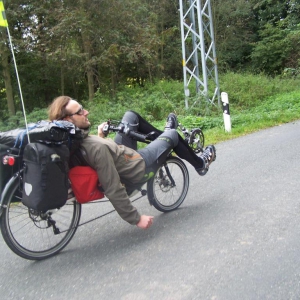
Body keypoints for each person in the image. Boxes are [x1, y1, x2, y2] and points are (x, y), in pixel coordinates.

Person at [48, 96, 216, 229]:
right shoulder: (95, 149)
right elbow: (112, 186)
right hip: (137, 166)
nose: (87, 112)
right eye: (80, 111)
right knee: (172, 134)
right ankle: (200, 164)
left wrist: (100, 137)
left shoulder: (73, 139)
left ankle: (161, 139)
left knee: (131, 115)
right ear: (68, 120)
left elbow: (94, 157)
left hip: (121, 154)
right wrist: (136, 219)